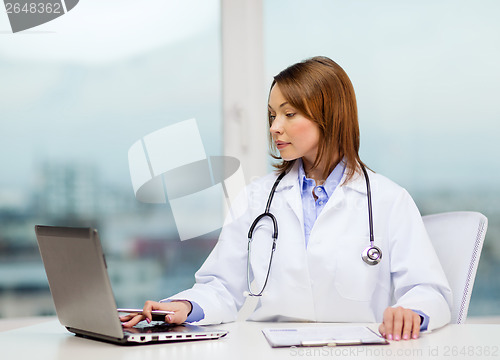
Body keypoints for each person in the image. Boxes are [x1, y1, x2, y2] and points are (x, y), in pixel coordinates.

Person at [121, 56, 452, 341]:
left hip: (357, 350)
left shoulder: (388, 200)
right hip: (266, 348)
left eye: (289, 114)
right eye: (271, 116)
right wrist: (186, 307)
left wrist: (413, 313)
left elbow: (429, 290)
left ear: (331, 114)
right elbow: (221, 285)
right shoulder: (257, 197)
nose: (274, 127)